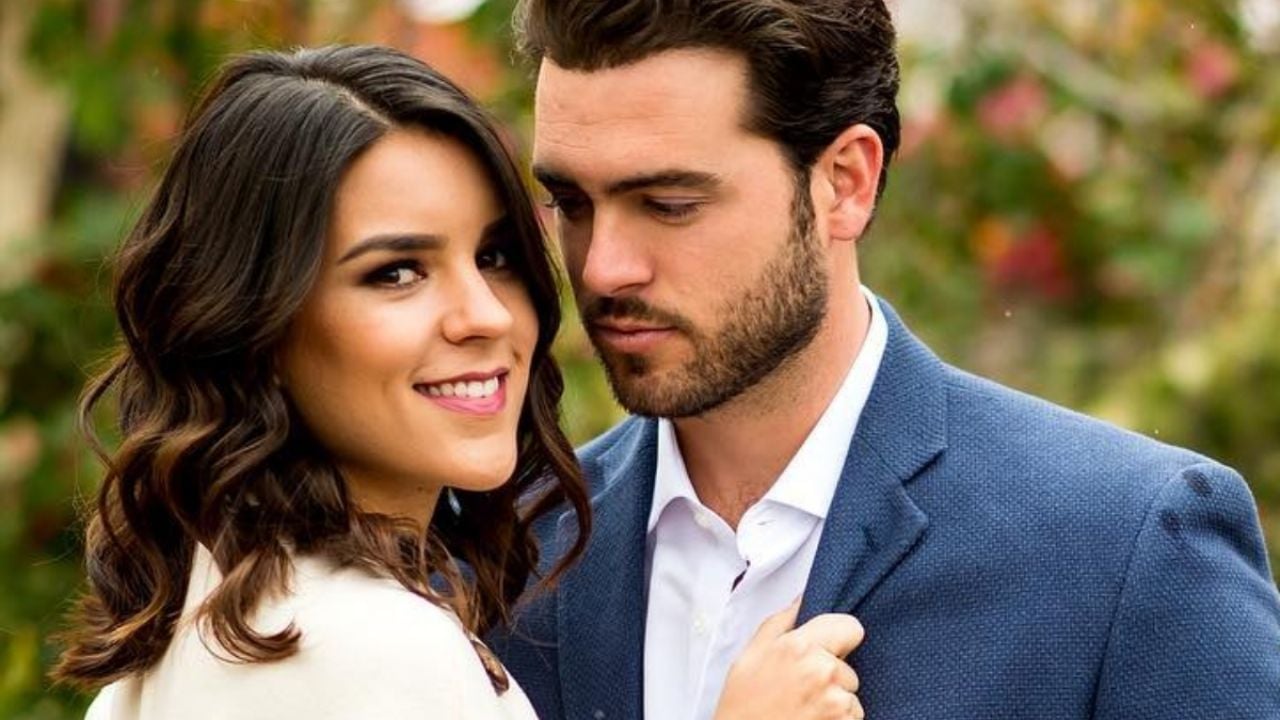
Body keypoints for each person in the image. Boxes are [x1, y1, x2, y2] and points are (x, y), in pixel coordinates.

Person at [488, 2, 1280, 719]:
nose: (604, 268)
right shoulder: (503, 549)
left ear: (846, 183)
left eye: (670, 205)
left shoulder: (1126, 546)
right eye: (571, 204)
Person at [52, 45, 864, 720]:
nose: (484, 315)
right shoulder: (371, 647)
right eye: (396, 272)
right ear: (256, 324)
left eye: (495, 256)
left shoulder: (206, 620)